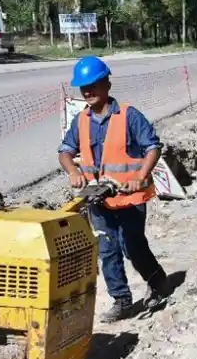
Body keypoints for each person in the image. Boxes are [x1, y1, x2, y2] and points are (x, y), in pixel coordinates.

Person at [58, 56, 170, 322]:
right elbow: (65, 152)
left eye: (93, 85)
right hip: (98, 200)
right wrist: (73, 172)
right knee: (107, 250)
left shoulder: (129, 116)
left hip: (129, 198)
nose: (87, 92)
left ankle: (158, 282)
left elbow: (152, 147)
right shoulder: (81, 121)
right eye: (83, 87)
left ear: (107, 84)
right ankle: (122, 301)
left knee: (133, 247)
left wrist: (141, 176)